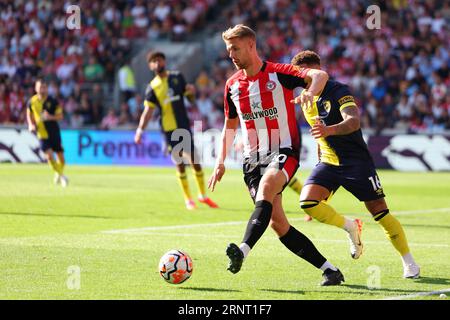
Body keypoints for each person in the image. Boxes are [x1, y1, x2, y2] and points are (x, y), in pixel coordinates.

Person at [208, 24, 344, 286]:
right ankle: (330, 270)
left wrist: (309, 93)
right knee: (278, 224)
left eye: (235, 48)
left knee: (269, 186)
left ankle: (242, 251)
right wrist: (220, 163)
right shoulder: (232, 85)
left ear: (251, 45)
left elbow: (320, 75)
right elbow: (230, 125)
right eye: (228, 50)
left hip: (284, 150)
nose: (231, 55)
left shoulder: (279, 73)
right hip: (251, 160)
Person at [291, 50, 420, 278]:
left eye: (306, 76)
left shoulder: (338, 90)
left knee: (380, 213)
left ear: (317, 70)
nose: (303, 81)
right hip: (329, 162)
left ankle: (409, 262)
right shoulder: (305, 97)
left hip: (356, 162)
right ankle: (350, 227)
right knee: (308, 202)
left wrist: (329, 130)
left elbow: (353, 121)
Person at [135, 51, 218, 210]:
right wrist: (140, 130)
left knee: (195, 160)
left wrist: (191, 93)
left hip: (183, 125)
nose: (157, 63)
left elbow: (190, 99)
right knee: (179, 163)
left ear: (164, 61)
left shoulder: (177, 77)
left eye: (159, 60)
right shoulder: (152, 88)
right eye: (154, 61)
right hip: (169, 129)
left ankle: (203, 195)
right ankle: (188, 199)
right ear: (150, 66)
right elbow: (148, 112)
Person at [26, 78, 68, 187]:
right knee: (49, 156)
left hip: (54, 132)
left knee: (61, 159)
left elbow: (60, 116)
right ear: (36, 88)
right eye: (40, 87)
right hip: (42, 133)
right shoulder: (32, 101)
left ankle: (58, 173)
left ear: (47, 89)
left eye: (44, 87)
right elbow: (29, 114)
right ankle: (62, 176)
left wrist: (50, 117)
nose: (42, 90)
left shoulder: (53, 101)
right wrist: (31, 124)